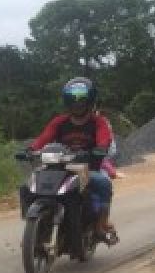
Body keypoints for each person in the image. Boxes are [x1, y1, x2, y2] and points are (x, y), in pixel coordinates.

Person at [28, 77, 118, 245]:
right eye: (73, 101)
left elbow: (104, 139)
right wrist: (32, 149)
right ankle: (34, 229)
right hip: (60, 166)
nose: (78, 105)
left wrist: (99, 149)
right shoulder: (59, 121)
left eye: (82, 101)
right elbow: (44, 137)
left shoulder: (98, 122)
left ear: (90, 101)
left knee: (103, 183)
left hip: (86, 168)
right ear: (67, 101)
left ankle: (101, 224)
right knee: (31, 186)